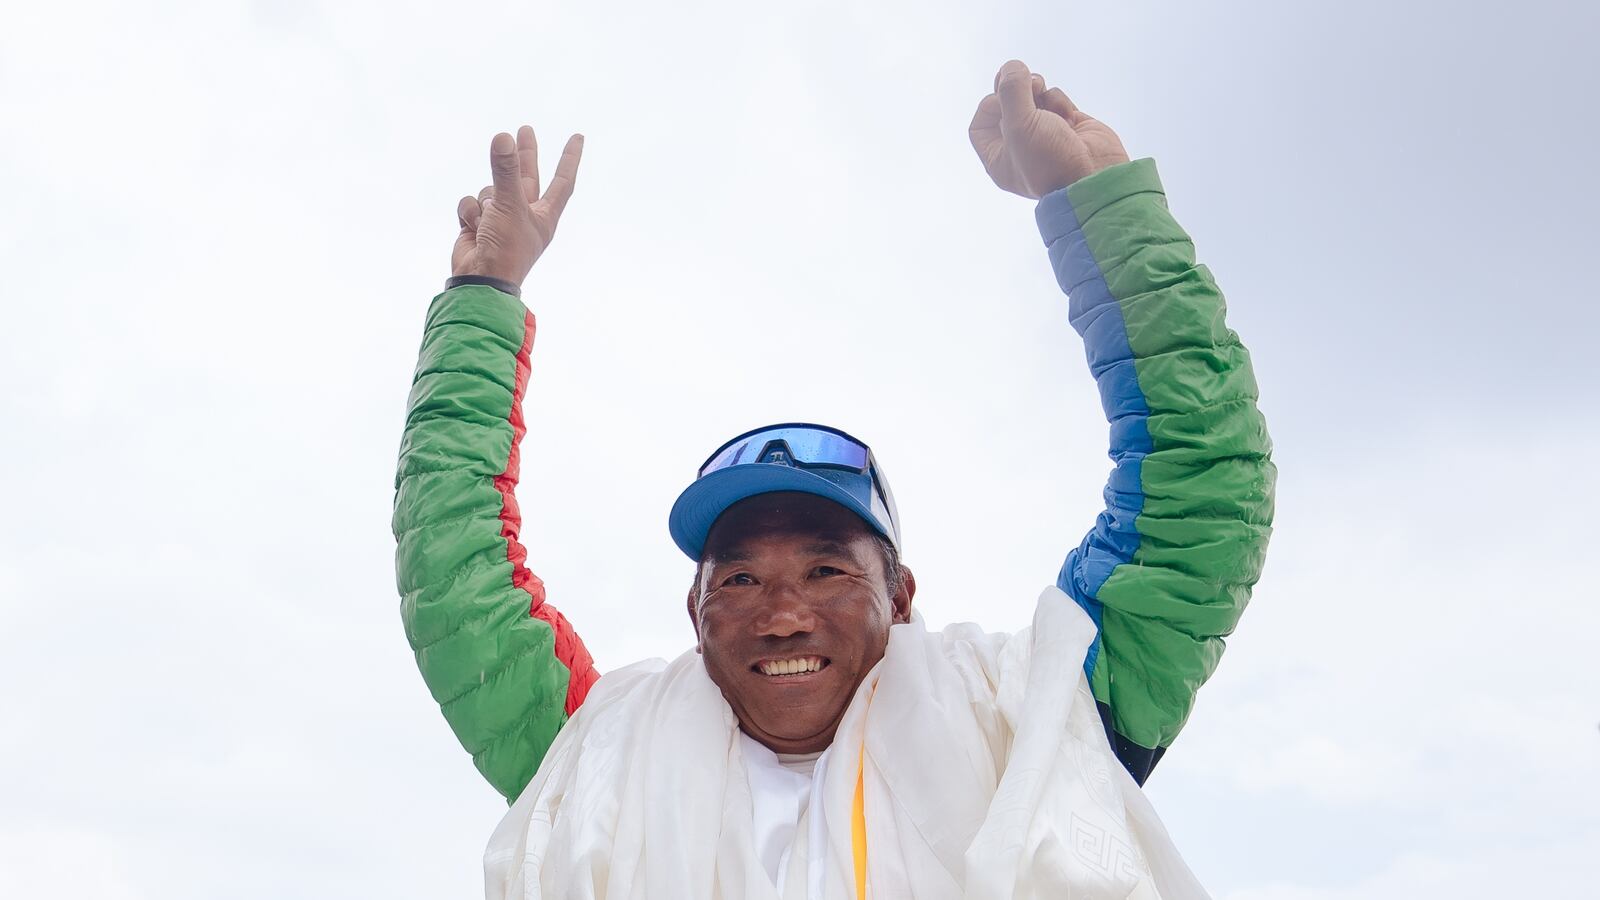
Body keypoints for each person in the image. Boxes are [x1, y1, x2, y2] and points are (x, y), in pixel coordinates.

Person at [393, 59, 1276, 899]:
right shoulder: (593, 757)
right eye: (739, 578)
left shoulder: (1036, 728)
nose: (783, 615)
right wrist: (482, 297)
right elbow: (456, 575)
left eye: (827, 569)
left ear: (899, 595)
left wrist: (1101, 210)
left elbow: (1197, 495)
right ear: (694, 616)